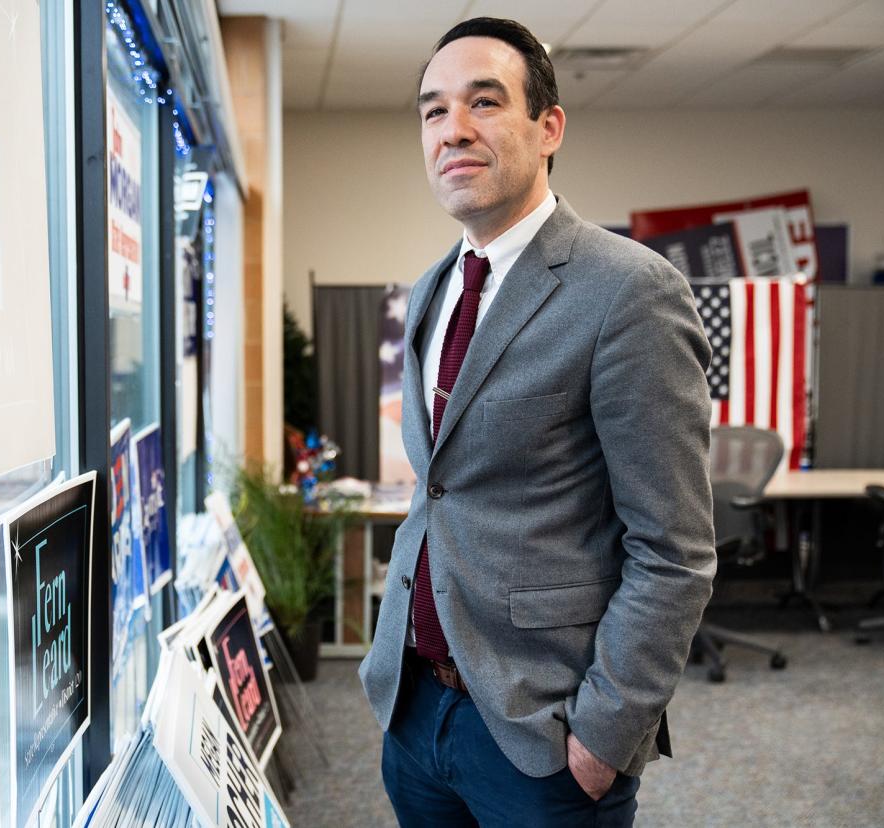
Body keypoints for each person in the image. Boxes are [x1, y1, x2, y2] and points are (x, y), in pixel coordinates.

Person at [358, 17, 716, 827]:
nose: (453, 129)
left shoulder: (628, 292)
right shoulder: (432, 290)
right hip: (414, 713)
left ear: (548, 126)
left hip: (543, 738)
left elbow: (675, 549)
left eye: (484, 102)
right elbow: (442, 491)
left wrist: (605, 733)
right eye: (432, 110)